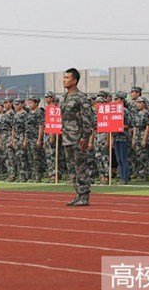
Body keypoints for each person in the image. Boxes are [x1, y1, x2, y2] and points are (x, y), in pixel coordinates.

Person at [61, 68, 93, 206]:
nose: (64, 80)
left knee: (81, 168)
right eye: (64, 77)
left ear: (74, 80)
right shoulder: (65, 97)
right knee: (72, 169)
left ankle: (84, 196)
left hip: (78, 138)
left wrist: (85, 137)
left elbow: (87, 119)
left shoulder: (81, 97)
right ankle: (78, 194)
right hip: (67, 138)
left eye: (67, 78)